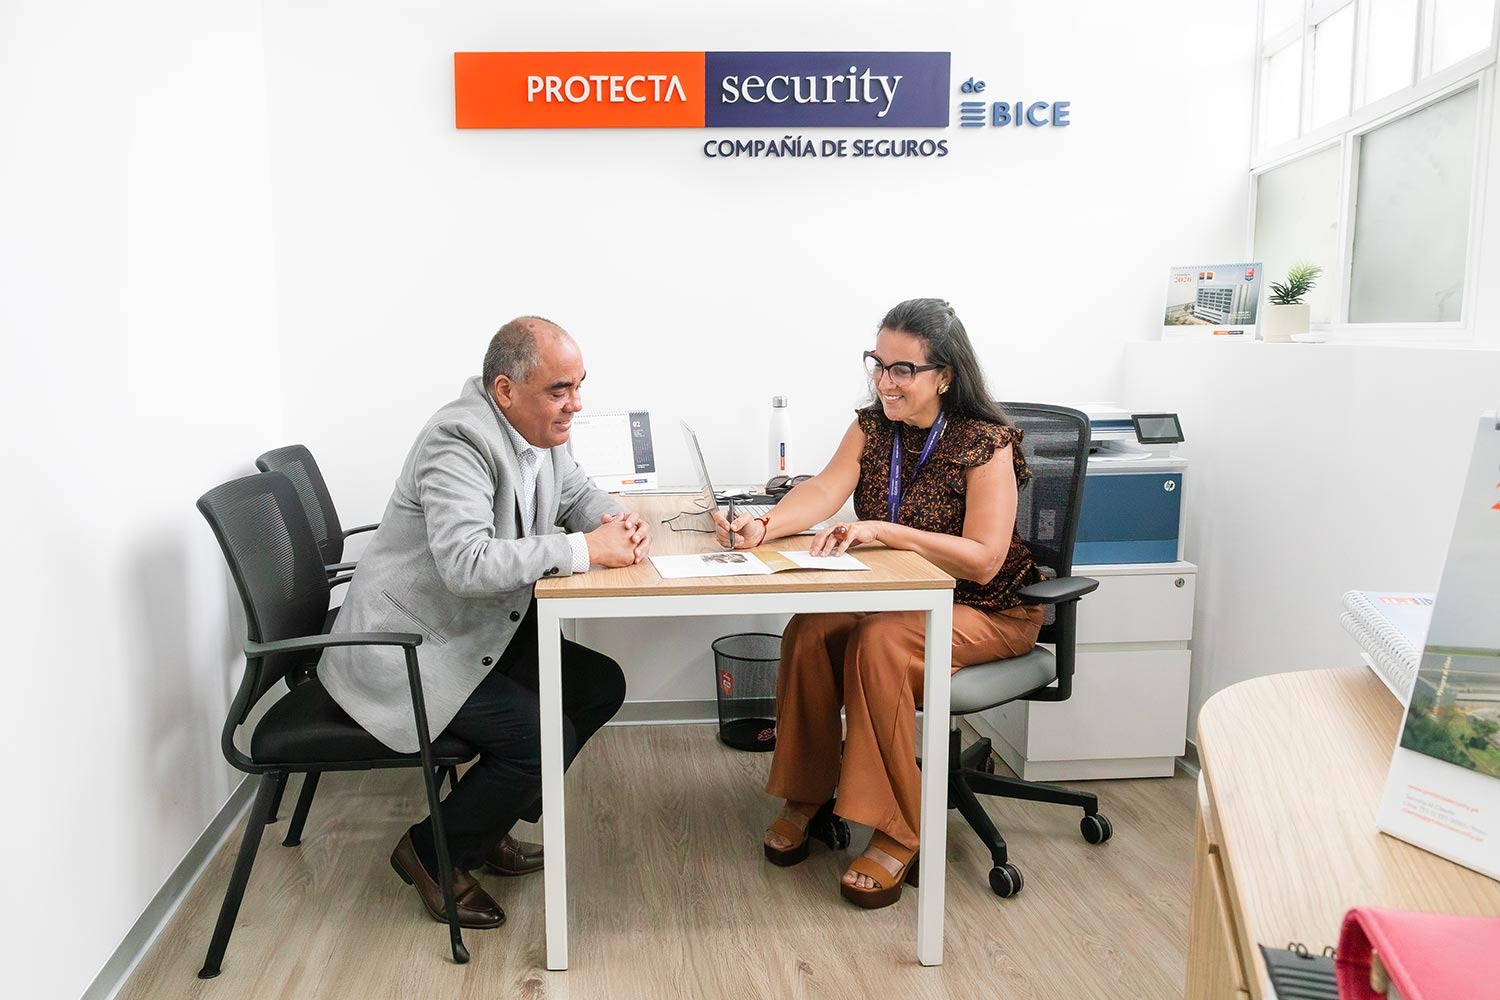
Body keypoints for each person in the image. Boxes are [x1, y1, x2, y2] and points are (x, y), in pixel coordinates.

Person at [319, 316, 650, 929]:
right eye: (560, 390)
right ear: (505, 390)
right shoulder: (457, 441)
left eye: (579, 386)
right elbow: (466, 564)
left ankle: (486, 821)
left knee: (599, 685)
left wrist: (617, 521)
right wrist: (585, 550)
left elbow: (578, 495)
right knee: (542, 737)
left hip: (472, 629)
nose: (576, 404)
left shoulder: (542, 431)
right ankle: (432, 853)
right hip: (409, 646)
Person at [713, 298, 1043, 909]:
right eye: (878, 364)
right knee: (810, 630)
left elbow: (983, 559)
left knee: (879, 642)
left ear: (944, 375)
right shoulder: (872, 427)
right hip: (900, 599)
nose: (885, 381)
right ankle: (809, 795)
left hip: (988, 610)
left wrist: (888, 531)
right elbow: (823, 490)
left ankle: (899, 828)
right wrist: (764, 526)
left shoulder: (985, 443)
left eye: (903, 369)